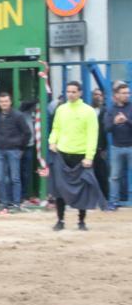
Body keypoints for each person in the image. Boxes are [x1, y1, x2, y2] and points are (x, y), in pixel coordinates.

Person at [49, 81, 100, 231]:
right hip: (62, 153)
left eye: (73, 92)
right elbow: (56, 128)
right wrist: (52, 141)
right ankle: (60, 220)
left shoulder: (88, 111)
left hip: (81, 155)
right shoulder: (61, 109)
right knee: (59, 188)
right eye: (68, 91)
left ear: (80, 93)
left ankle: (81, 221)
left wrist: (89, 156)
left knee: (82, 190)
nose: (70, 94)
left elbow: (93, 135)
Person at [0, 92, 32, 212]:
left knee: (15, 178)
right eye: (2, 101)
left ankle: (16, 204)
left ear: (10, 102)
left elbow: (27, 133)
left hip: (14, 150)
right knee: (0, 178)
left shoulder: (18, 116)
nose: (4, 103)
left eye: (6, 101)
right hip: (0, 150)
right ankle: (4, 203)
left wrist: (21, 148)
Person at [104, 81, 132, 211]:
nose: (127, 95)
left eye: (128, 93)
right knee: (114, 176)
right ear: (116, 95)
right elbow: (106, 128)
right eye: (124, 93)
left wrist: (127, 121)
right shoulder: (111, 110)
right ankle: (113, 201)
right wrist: (115, 122)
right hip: (116, 147)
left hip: (131, 146)